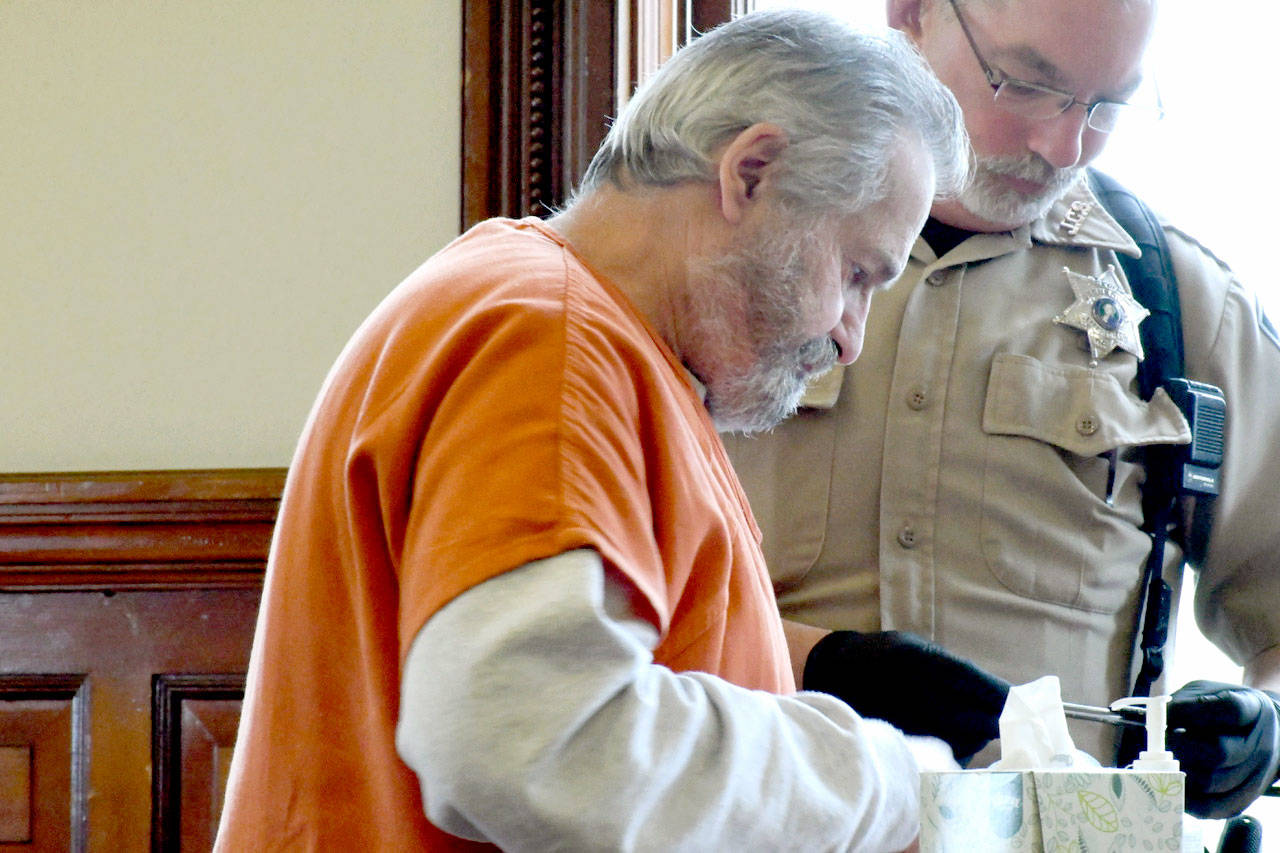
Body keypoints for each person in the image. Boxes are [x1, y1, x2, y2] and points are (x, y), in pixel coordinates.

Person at [213, 10, 973, 850]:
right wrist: (889, 781)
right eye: (857, 273)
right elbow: (534, 741)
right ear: (751, 172)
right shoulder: (555, 343)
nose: (850, 335)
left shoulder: (576, 332)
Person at [723, 0, 1280, 821]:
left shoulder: (1186, 307)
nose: (1064, 145)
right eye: (1025, 84)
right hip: (743, 824)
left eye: (1108, 105)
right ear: (910, 13)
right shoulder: (728, 249)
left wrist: (1268, 722)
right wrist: (809, 662)